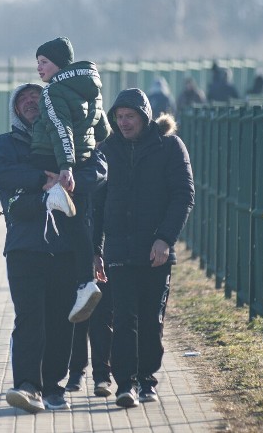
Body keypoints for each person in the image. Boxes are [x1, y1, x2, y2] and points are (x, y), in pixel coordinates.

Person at [0, 82, 107, 413]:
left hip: (66, 247)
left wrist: (70, 181)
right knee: (29, 317)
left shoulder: (72, 141)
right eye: (22, 99)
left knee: (59, 319)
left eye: (36, 97)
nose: (29, 103)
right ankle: (27, 385)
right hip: (24, 247)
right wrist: (42, 179)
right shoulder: (5, 144)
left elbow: (98, 168)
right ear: (15, 109)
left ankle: (54, 387)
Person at [94, 88, 195, 408]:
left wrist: (165, 238)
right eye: (119, 117)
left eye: (130, 117)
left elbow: (183, 196)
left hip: (156, 251)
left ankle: (147, 379)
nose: (123, 123)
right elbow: (95, 205)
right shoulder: (106, 149)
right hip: (118, 252)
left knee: (151, 319)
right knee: (124, 319)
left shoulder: (169, 147)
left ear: (145, 116)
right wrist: (96, 250)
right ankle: (125, 383)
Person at [29, 36, 111, 324]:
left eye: (44, 62)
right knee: (80, 224)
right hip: (84, 162)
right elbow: (102, 131)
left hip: (55, 160)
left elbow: (60, 129)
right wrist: (86, 152)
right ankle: (86, 283)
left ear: (59, 65)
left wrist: (65, 166)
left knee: (53, 215)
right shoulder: (92, 89)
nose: (39, 69)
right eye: (37, 63)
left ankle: (53, 198)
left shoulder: (52, 93)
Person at [65, 279, 114, 397]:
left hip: (104, 269)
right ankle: (76, 373)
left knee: (102, 321)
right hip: (78, 271)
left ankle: (102, 376)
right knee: (78, 321)